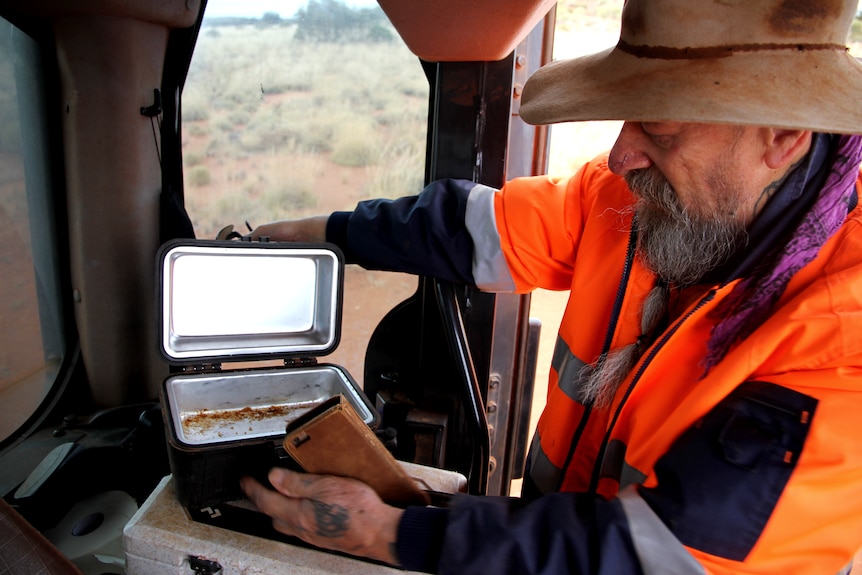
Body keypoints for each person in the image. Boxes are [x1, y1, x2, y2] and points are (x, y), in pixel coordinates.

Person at [240, 0, 862, 572]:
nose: (622, 156)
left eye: (660, 128)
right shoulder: (644, 201)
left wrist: (394, 534)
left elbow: (653, 558)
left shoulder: (844, 343)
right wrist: (317, 235)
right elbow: (476, 232)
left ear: (782, 135)